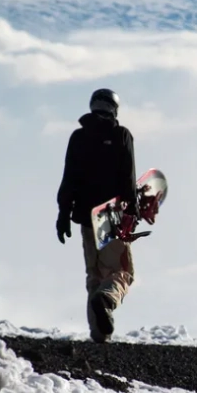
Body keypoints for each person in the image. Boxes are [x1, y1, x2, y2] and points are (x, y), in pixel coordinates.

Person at [56, 88, 138, 343]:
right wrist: (132, 211)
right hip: (110, 214)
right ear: (114, 109)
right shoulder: (121, 135)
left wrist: (63, 213)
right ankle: (108, 298)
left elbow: (69, 177)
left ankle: (100, 335)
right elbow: (128, 176)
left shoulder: (78, 137)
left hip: (84, 215)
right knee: (121, 271)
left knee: (95, 274)